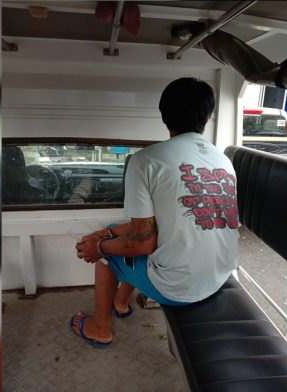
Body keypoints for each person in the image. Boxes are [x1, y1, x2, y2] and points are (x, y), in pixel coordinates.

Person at [72, 77, 240, 348]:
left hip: (180, 288)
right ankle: (121, 302)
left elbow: (143, 242)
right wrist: (109, 233)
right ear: (207, 117)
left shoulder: (145, 160)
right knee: (118, 231)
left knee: (107, 257)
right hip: (219, 277)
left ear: (164, 116)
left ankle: (100, 328)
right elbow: (167, 222)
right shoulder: (224, 161)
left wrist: (99, 246)